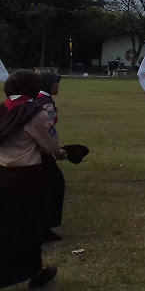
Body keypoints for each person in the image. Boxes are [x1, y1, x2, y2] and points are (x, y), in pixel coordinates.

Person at [0, 70, 64, 288]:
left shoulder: (2, 110)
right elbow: (52, 145)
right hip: (26, 178)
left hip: (2, 175)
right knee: (28, 228)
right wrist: (60, 153)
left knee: (5, 227)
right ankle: (35, 273)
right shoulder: (35, 113)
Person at [33, 72, 65, 242]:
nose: (58, 85)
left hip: (33, 149)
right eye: (55, 83)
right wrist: (55, 150)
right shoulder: (47, 105)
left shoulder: (35, 98)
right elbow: (47, 130)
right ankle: (46, 227)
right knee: (54, 186)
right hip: (42, 153)